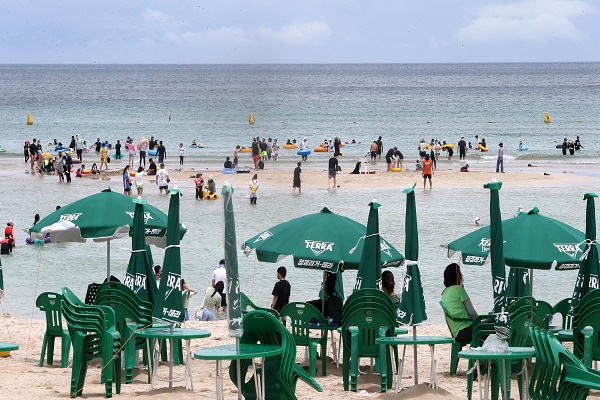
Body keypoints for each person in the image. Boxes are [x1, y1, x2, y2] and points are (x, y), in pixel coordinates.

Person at [441, 263, 478, 343]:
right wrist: (480, 322)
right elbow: (472, 313)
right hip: (465, 330)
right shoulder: (459, 290)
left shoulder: (445, 292)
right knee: (494, 323)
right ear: (457, 276)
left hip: (456, 332)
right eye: (461, 274)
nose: (462, 276)